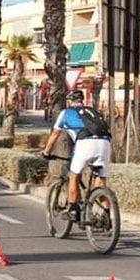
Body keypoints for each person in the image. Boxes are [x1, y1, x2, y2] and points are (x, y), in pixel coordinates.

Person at [42, 89, 112, 223]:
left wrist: (46, 152)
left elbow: (55, 134)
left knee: (74, 176)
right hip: (105, 143)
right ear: (82, 101)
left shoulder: (66, 113)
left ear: (69, 102)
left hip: (85, 144)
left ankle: (73, 210)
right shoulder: (93, 112)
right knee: (100, 182)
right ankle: (107, 216)